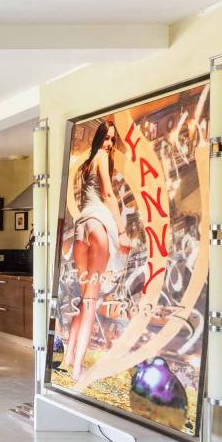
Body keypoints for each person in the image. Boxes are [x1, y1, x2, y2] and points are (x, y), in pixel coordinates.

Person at [61, 120, 131, 380]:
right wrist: (122, 231)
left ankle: (69, 357)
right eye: (106, 138)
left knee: (85, 300)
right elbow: (109, 196)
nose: (109, 144)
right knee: (91, 302)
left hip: (82, 227)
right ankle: (79, 368)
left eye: (112, 139)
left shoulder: (85, 164)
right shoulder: (101, 157)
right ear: (99, 139)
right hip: (98, 224)